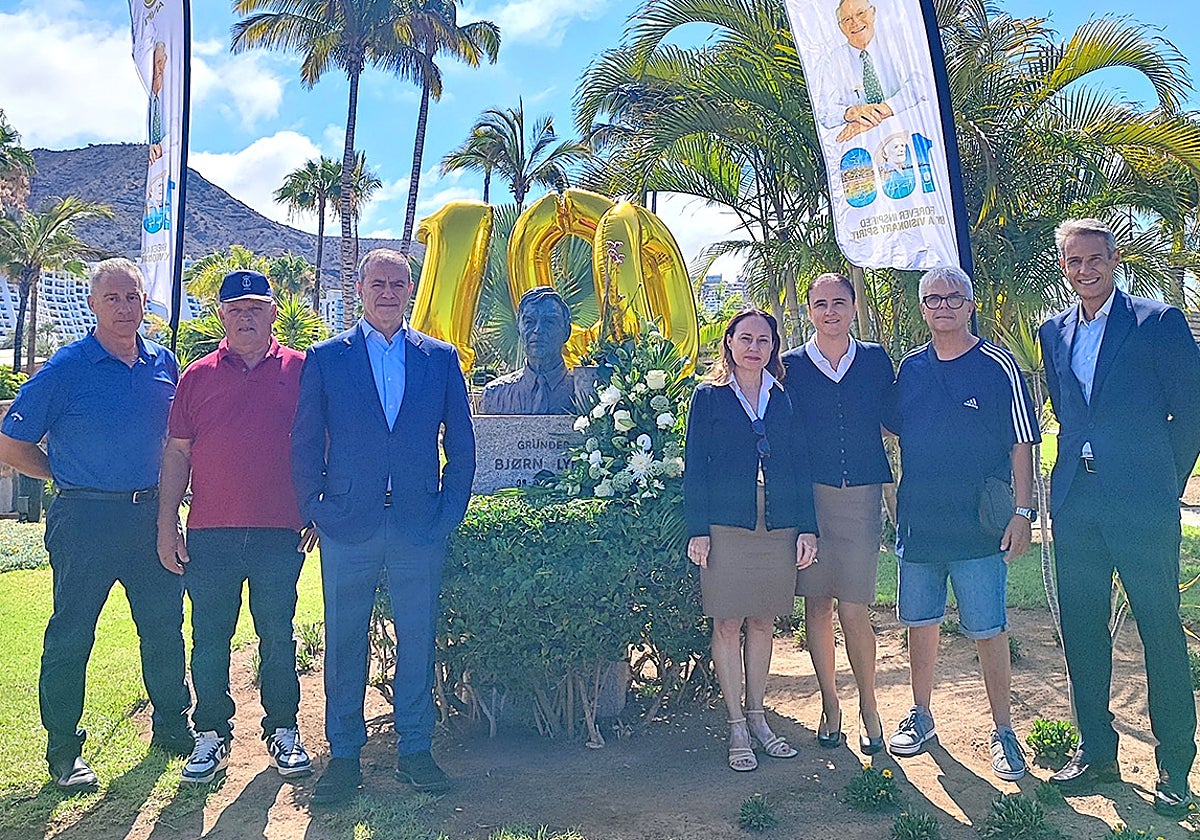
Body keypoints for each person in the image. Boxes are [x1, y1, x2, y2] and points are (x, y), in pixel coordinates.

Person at [0, 258, 192, 791]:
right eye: (113, 298)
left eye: (132, 297)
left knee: (162, 627)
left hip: (150, 513)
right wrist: (59, 474)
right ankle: (63, 750)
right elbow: (11, 442)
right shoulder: (66, 367)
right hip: (83, 517)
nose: (125, 308)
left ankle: (173, 728)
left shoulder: (164, 364)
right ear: (92, 305)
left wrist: (170, 512)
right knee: (72, 632)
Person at [292, 248, 475, 804]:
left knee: (417, 638)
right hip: (349, 525)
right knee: (344, 641)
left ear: (410, 289)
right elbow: (303, 441)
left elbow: (462, 445)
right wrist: (315, 509)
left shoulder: (439, 359)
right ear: (360, 289)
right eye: (379, 283)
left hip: (419, 525)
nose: (388, 292)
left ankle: (415, 751)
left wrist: (449, 512)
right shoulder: (326, 358)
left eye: (398, 283)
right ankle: (343, 757)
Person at [1039, 218, 1200, 815]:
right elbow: (1070, 412)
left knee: (1158, 629)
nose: (1085, 271)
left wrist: (1164, 483)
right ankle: (1098, 752)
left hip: (1142, 506)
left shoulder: (1157, 323)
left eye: (1094, 259)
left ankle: (1175, 767)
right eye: (1074, 262)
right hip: (1077, 507)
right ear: (1064, 267)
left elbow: (1192, 412)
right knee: (1083, 633)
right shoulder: (1052, 333)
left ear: (1114, 258)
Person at [157, 270, 312, 785]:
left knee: (277, 635)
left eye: (255, 307)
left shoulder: (302, 371)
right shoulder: (196, 376)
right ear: (222, 316)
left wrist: (315, 509)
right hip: (210, 532)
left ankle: (283, 729)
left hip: (279, 532)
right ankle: (212, 734)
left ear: (272, 311)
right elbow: (177, 453)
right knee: (209, 637)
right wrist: (167, 524)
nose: (246, 316)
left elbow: (324, 445)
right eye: (235, 309)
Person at [884, 266, 1037, 782]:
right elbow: (887, 424)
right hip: (921, 525)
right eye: (933, 299)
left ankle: (1003, 731)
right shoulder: (909, 369)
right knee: (920, 625)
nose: (943, 306)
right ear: (921, 308)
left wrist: (1022, 512)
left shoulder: (998, 366)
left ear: (970, 304)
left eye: (954, 297)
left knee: (988, 629)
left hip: (981, 527)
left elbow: (1022, 443)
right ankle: (921, 715)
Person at [684, 308, 819, 772]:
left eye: (764, 340)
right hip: (727, 524)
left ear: (773, 348)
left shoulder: (783, 396)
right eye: (746, 338)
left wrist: (808, 527)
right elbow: (695, 467)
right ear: (729, 342)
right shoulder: (709, 396)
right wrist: (697, 530)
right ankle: (736, 724)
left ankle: (760, 718)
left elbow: (801, 465)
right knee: (727, 624)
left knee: (763, 622)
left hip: (777, 521)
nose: (754, 348)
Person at [781, 274, 894, 755]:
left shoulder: (873, 360)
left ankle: (870, 704)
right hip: (811, 501)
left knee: (854, 607)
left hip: (861, 497)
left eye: (839, 303)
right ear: (809, 310)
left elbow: (895, 421)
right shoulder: (789, 365)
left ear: (853, 307)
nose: (830, 311)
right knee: (819, 607)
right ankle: (831, 705)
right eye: (820, 304)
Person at [814, 0, 930, 142]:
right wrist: (851, 112)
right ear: (841, 27)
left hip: (911, 136)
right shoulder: (832, 62)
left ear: (873, 13)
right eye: (847, 19)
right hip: (862, 148)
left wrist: (881, 111)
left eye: (860, 13)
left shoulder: (897, 44)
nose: (855, 22)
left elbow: (921, 84)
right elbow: (825, 112)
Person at [480, 286, 589, 415]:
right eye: (529, 322)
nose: (538, 330)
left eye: (549, 322)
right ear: (518, 330)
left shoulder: (585, 394)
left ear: (567, 331)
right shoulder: (496, 394)